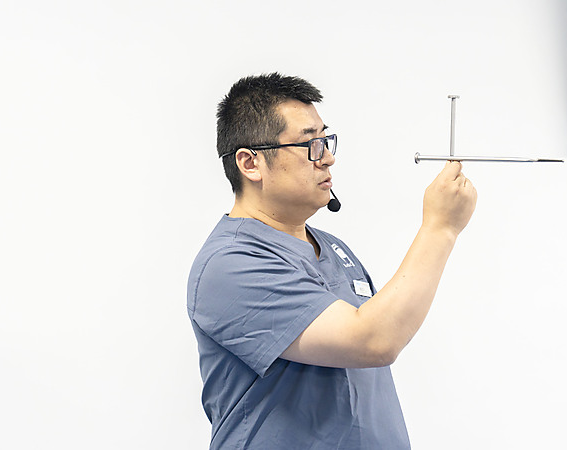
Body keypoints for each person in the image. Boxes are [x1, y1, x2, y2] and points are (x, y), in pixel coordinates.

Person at [187, 72, 477, 449]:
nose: (327, 157)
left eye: (325, 139)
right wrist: (441, 228)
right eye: (310, 143)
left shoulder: (333, 249)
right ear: (250, 163)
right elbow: (374, 340)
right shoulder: (231, 264)